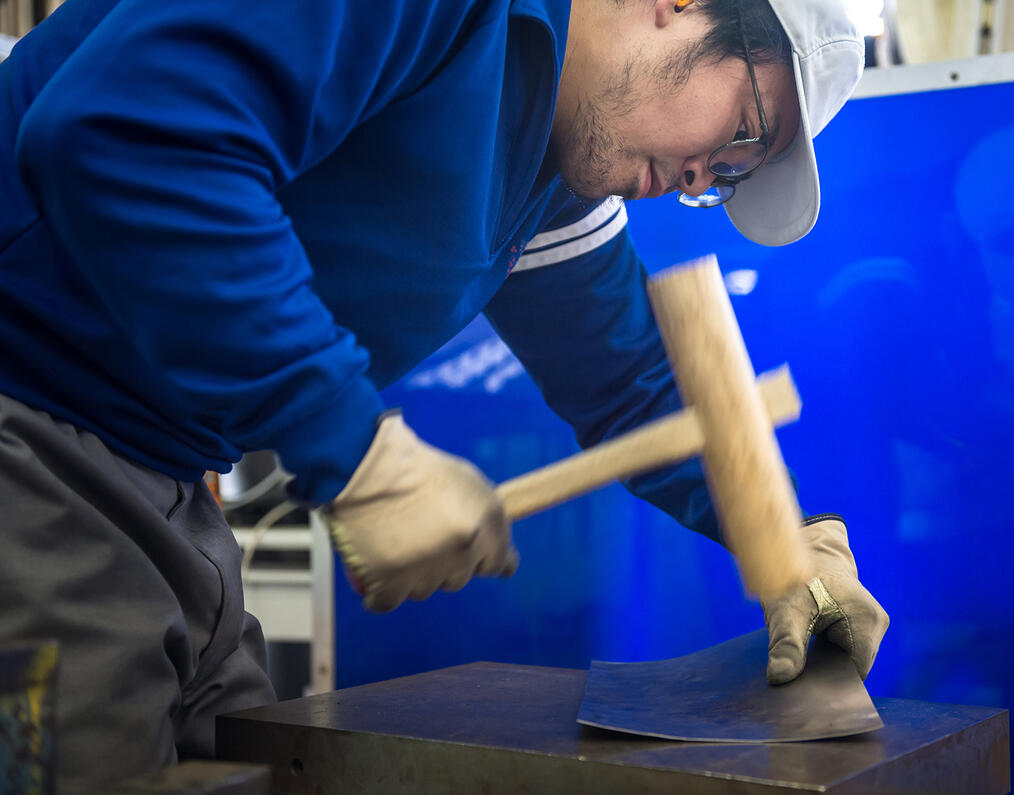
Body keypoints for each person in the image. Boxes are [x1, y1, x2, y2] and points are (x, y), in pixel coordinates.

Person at [0, 0, 888, 788]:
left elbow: (630, 381)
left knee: (250, 757)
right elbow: (129, 130)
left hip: (166, 481)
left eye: (731, 174)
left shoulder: (549, 161)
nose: (702, 178)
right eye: (742, 129)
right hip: (31, 424)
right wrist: (355, 451)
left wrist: (785, 539)